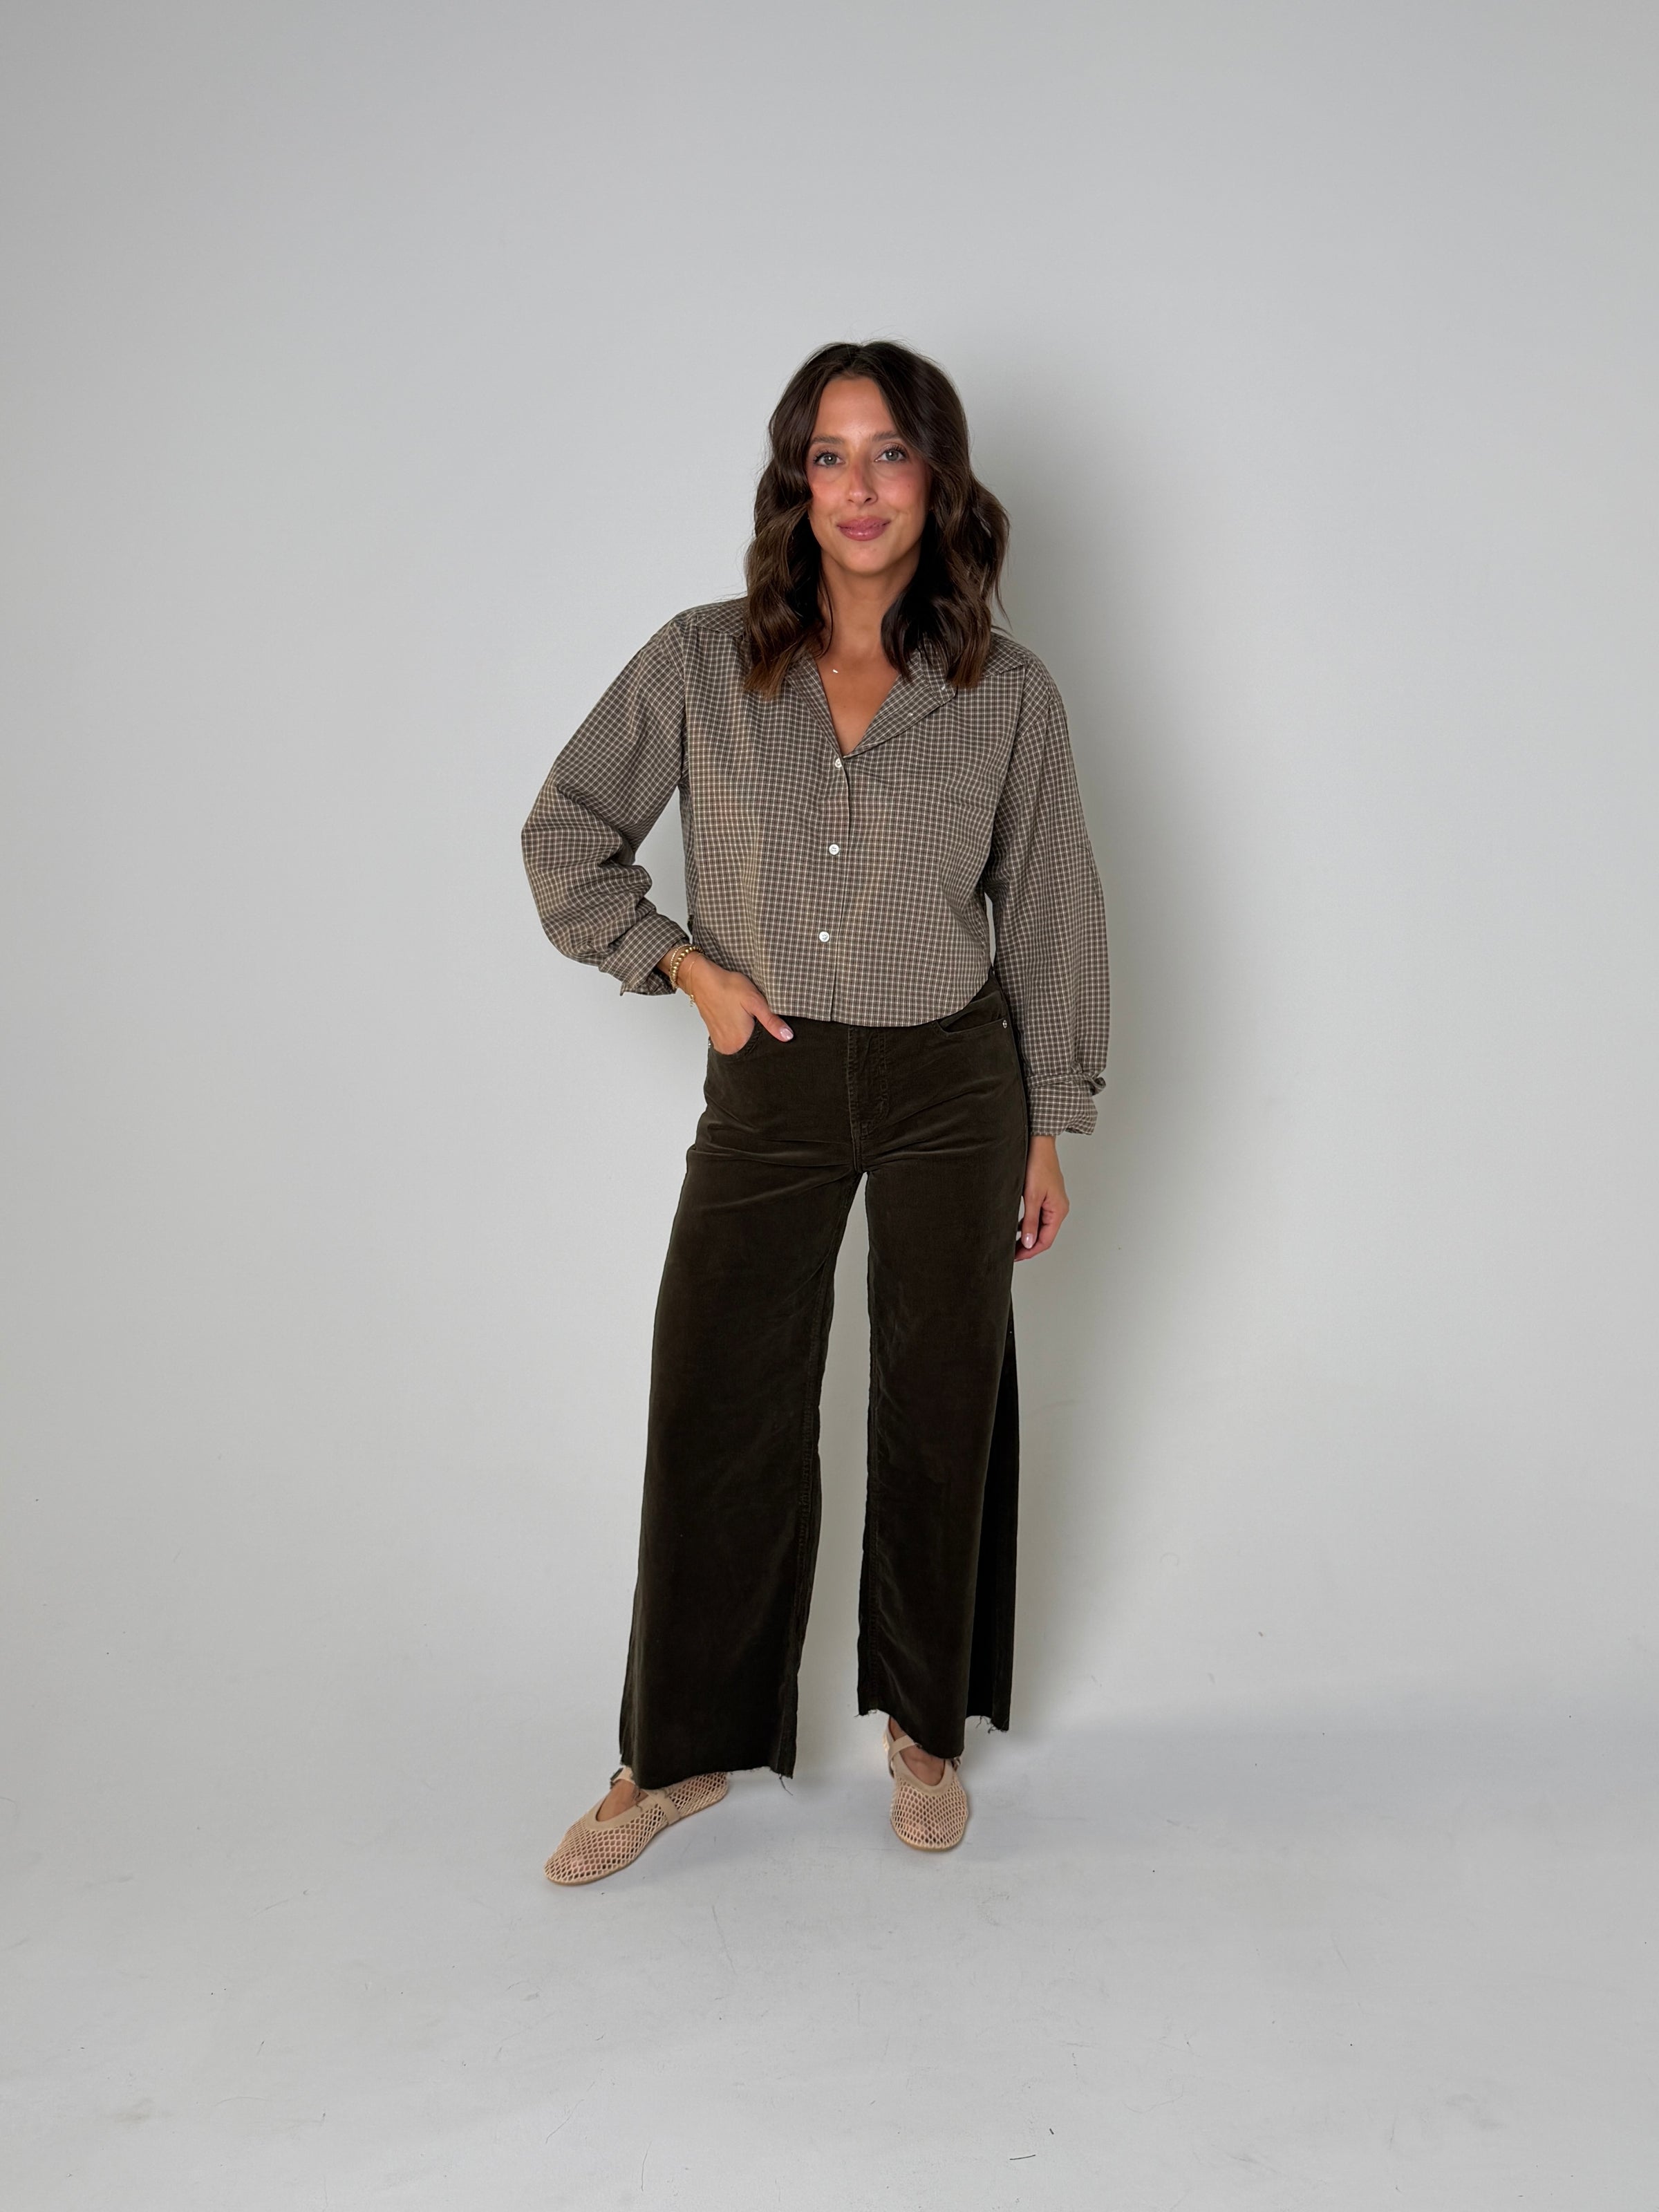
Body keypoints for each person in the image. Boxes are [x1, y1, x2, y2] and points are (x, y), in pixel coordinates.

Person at [521, 339, 1109, 1882]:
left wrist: (1048, 1119)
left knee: (940, 1399)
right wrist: (681, 968)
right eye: (830, 455)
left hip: (953, 1083)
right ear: (797, 480)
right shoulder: (701, 662)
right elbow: (566, 831)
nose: (860, 487)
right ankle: (673, 1755)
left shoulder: (1007, 692)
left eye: (891, 453)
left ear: (937, 481)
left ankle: (925, 1726)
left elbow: (1051, 908)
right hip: (770, 1073)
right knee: (718, 1395)